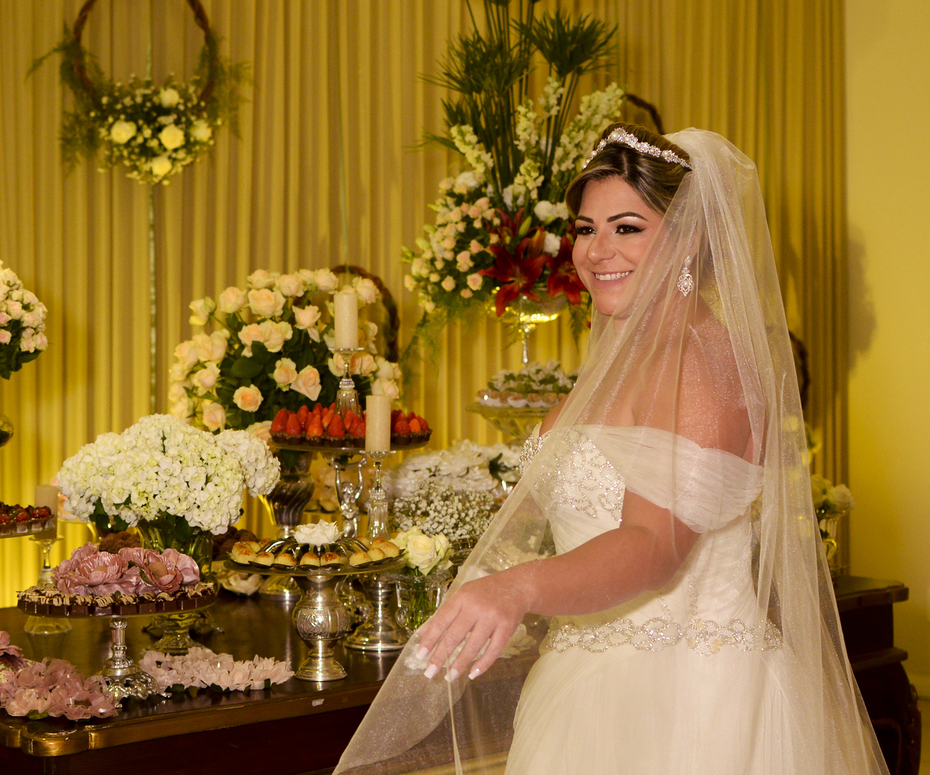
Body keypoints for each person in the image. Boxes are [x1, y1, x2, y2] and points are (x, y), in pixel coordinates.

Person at [335, 125, 888, 774]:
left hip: (689, 706)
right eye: (586, 227)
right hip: (581, 687)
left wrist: (515, 588)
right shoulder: (621, 359)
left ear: (689, 239)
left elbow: (653, 547)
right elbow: (552, 511)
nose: (597, 251)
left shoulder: (704, 364)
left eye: (627, 227)